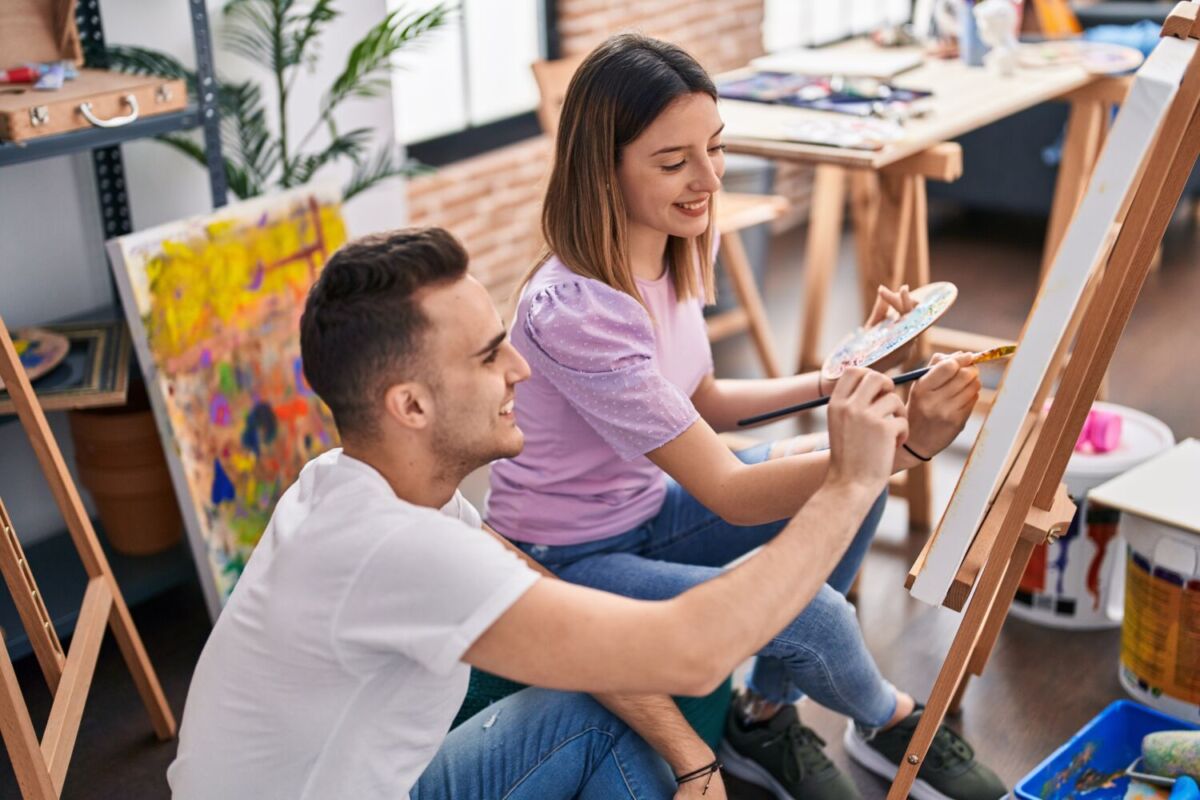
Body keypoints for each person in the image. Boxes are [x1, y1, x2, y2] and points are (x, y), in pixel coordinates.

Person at [165, 227, 931, 800]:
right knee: (604, 716)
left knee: (613, 716)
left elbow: (536, 582)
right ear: (410, 405)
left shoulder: (356, 483)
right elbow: (694, 650)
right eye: (490, 355)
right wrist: (851, 482)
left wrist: (695, 762)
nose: (520, 368)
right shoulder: (391, 548)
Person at [486, 33, 1002, 800]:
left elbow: (705, 401)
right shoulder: (574, 310)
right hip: (565, 561)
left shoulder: (676, 237)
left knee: (842, 489)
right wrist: (904, 448)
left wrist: (840, 378)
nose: (707, 179)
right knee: (816, 605)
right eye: (674, 162)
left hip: (647, 509)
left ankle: (761, 714)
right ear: (604, 167)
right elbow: (727, 487)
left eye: (716, 149)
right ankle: (894, 718)